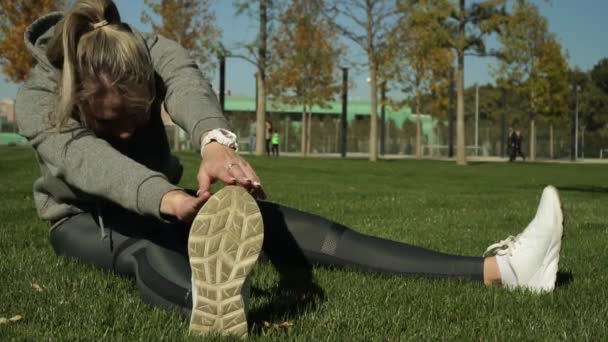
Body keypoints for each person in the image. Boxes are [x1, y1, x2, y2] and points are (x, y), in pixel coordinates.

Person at [16, 1, 565, 339]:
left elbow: (186, 85)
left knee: (300, 228)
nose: (130, 133)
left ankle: (504, 272)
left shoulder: (151, 49)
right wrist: (166, 198)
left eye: (137, 117)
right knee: (143, 252)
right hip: (88, 221)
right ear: (78, 98)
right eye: (113, 122)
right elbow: (86, 160)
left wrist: (214, 146)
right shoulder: (39, 94)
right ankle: (218, 307)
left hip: (171, 198)